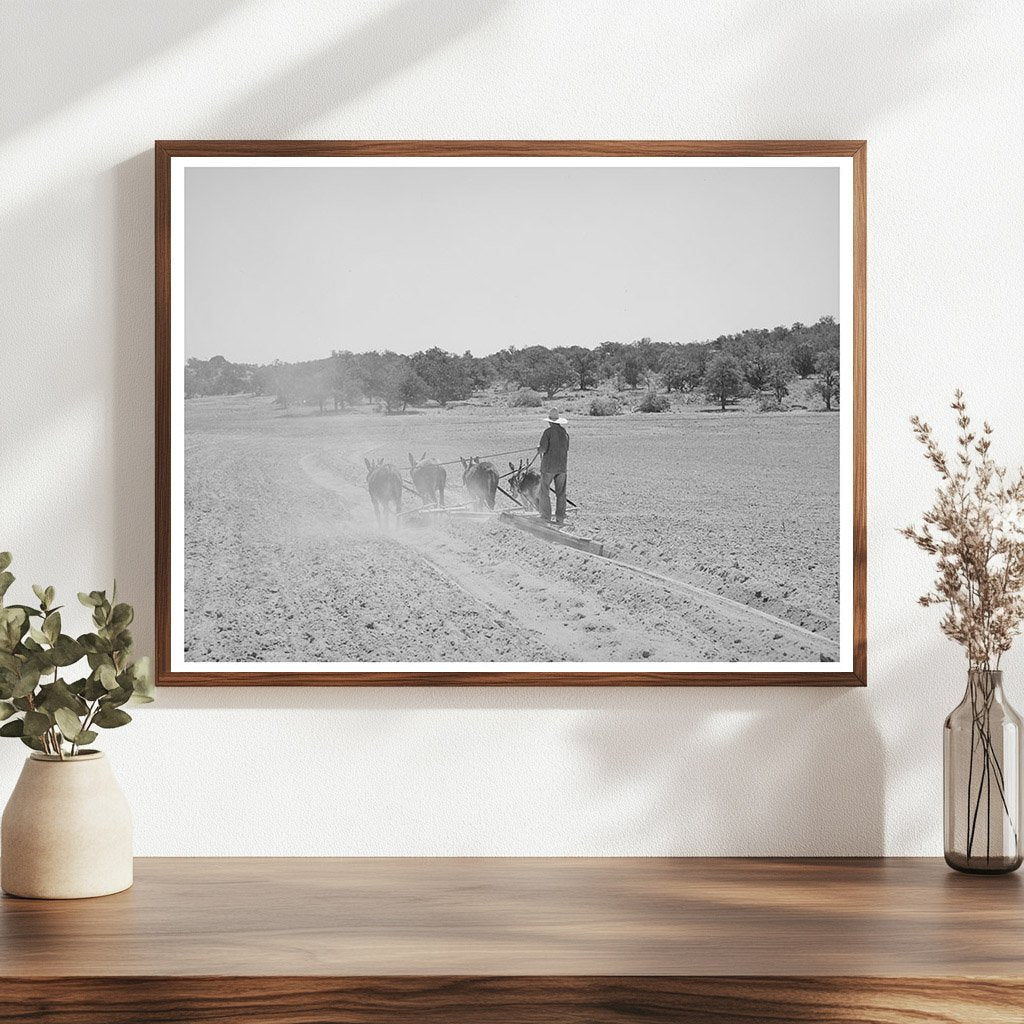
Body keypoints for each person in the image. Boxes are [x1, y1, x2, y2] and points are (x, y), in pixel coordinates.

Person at [537, 408, 569, 524]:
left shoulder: (548, 432)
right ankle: (560, 517)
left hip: (549, 467)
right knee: (561, 493)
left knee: (544, 491)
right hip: (562, 468)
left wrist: (538, 449)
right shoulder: (564, 433)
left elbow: (543, 449)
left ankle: (546, 516)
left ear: (550, 421)